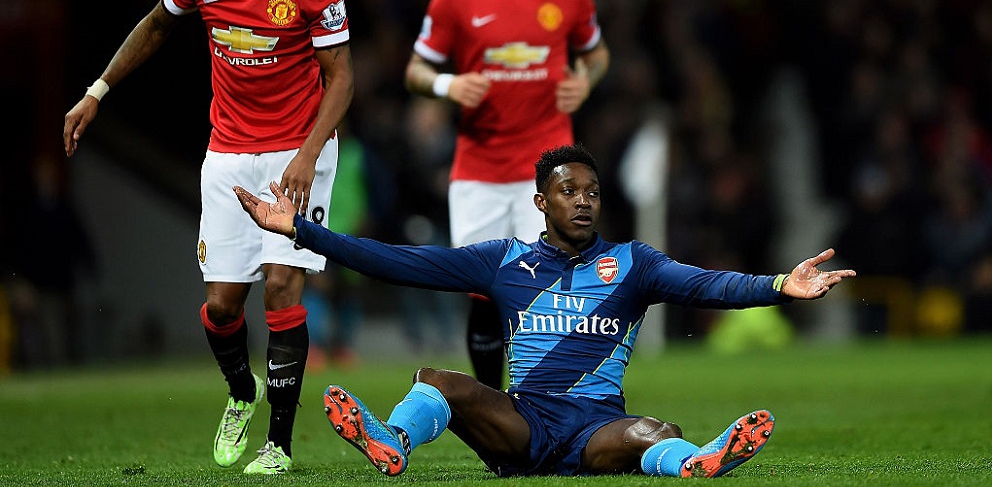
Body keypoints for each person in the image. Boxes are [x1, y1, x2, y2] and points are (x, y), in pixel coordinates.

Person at [234, 144, 853, 478]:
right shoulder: (503, 261)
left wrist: (781, 284)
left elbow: (708, 285)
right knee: (439, 380)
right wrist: (302, 232)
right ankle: (391, 441)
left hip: (595, 431)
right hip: (523, 425)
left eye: (592, 193)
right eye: (569, 191)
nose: (584, 202)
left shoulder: (633, 263)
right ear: (541, 201)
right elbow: (399, 262)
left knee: (653, 431)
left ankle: (698, 462)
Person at [63, 0, 354, 475]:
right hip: (229, 151)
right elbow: (157, 23)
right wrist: (97, 91)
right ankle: (242, 392)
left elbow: (342, 77)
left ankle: (278, 445)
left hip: (297, 149)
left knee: (282, 284)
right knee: (222, 307)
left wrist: (307, 155)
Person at [403, 0, 611, 390]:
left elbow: (598, 54)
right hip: (479, 170)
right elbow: (416, 71)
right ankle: (495, 408)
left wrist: (585, 82)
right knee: (485, 291)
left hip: (548, 171)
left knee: (557, 287)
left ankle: (554, 399)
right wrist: (450, 84)